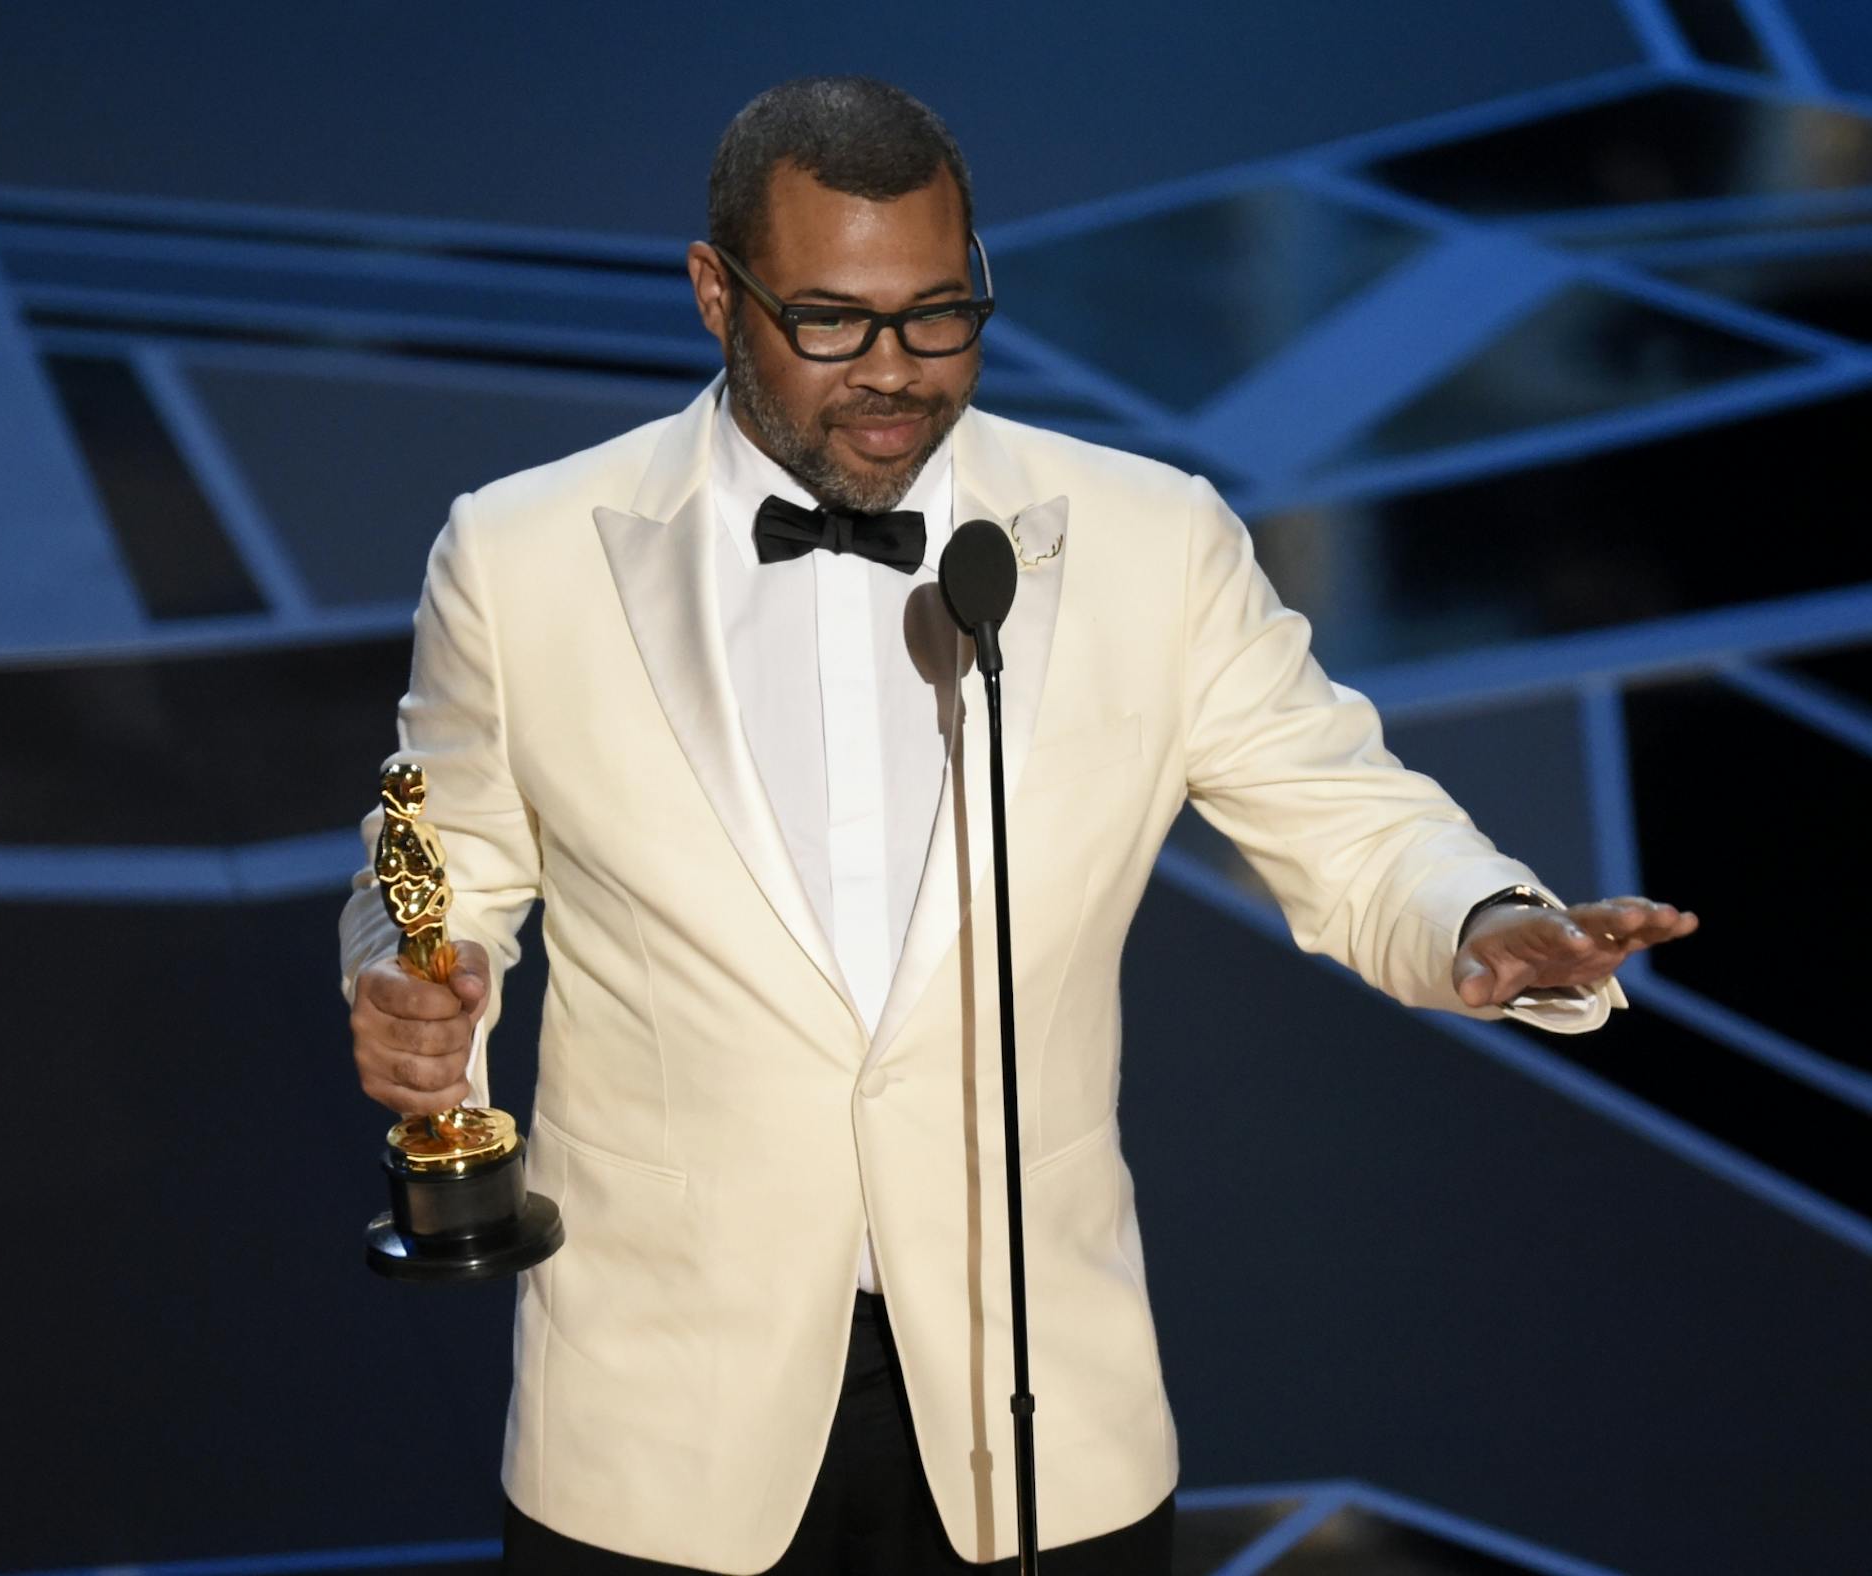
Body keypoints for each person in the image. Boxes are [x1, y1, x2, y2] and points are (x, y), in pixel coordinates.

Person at [338, 76, 1698, 1576]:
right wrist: (414, 990)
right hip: (658, 1429)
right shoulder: (521, 554)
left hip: (1035, 1429)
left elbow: (1348, 812)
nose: (896, 373)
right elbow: (439, 860)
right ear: (716, 297)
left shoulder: (1148, 540)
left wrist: (1486, 921)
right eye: (834, 323)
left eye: (939, 315)